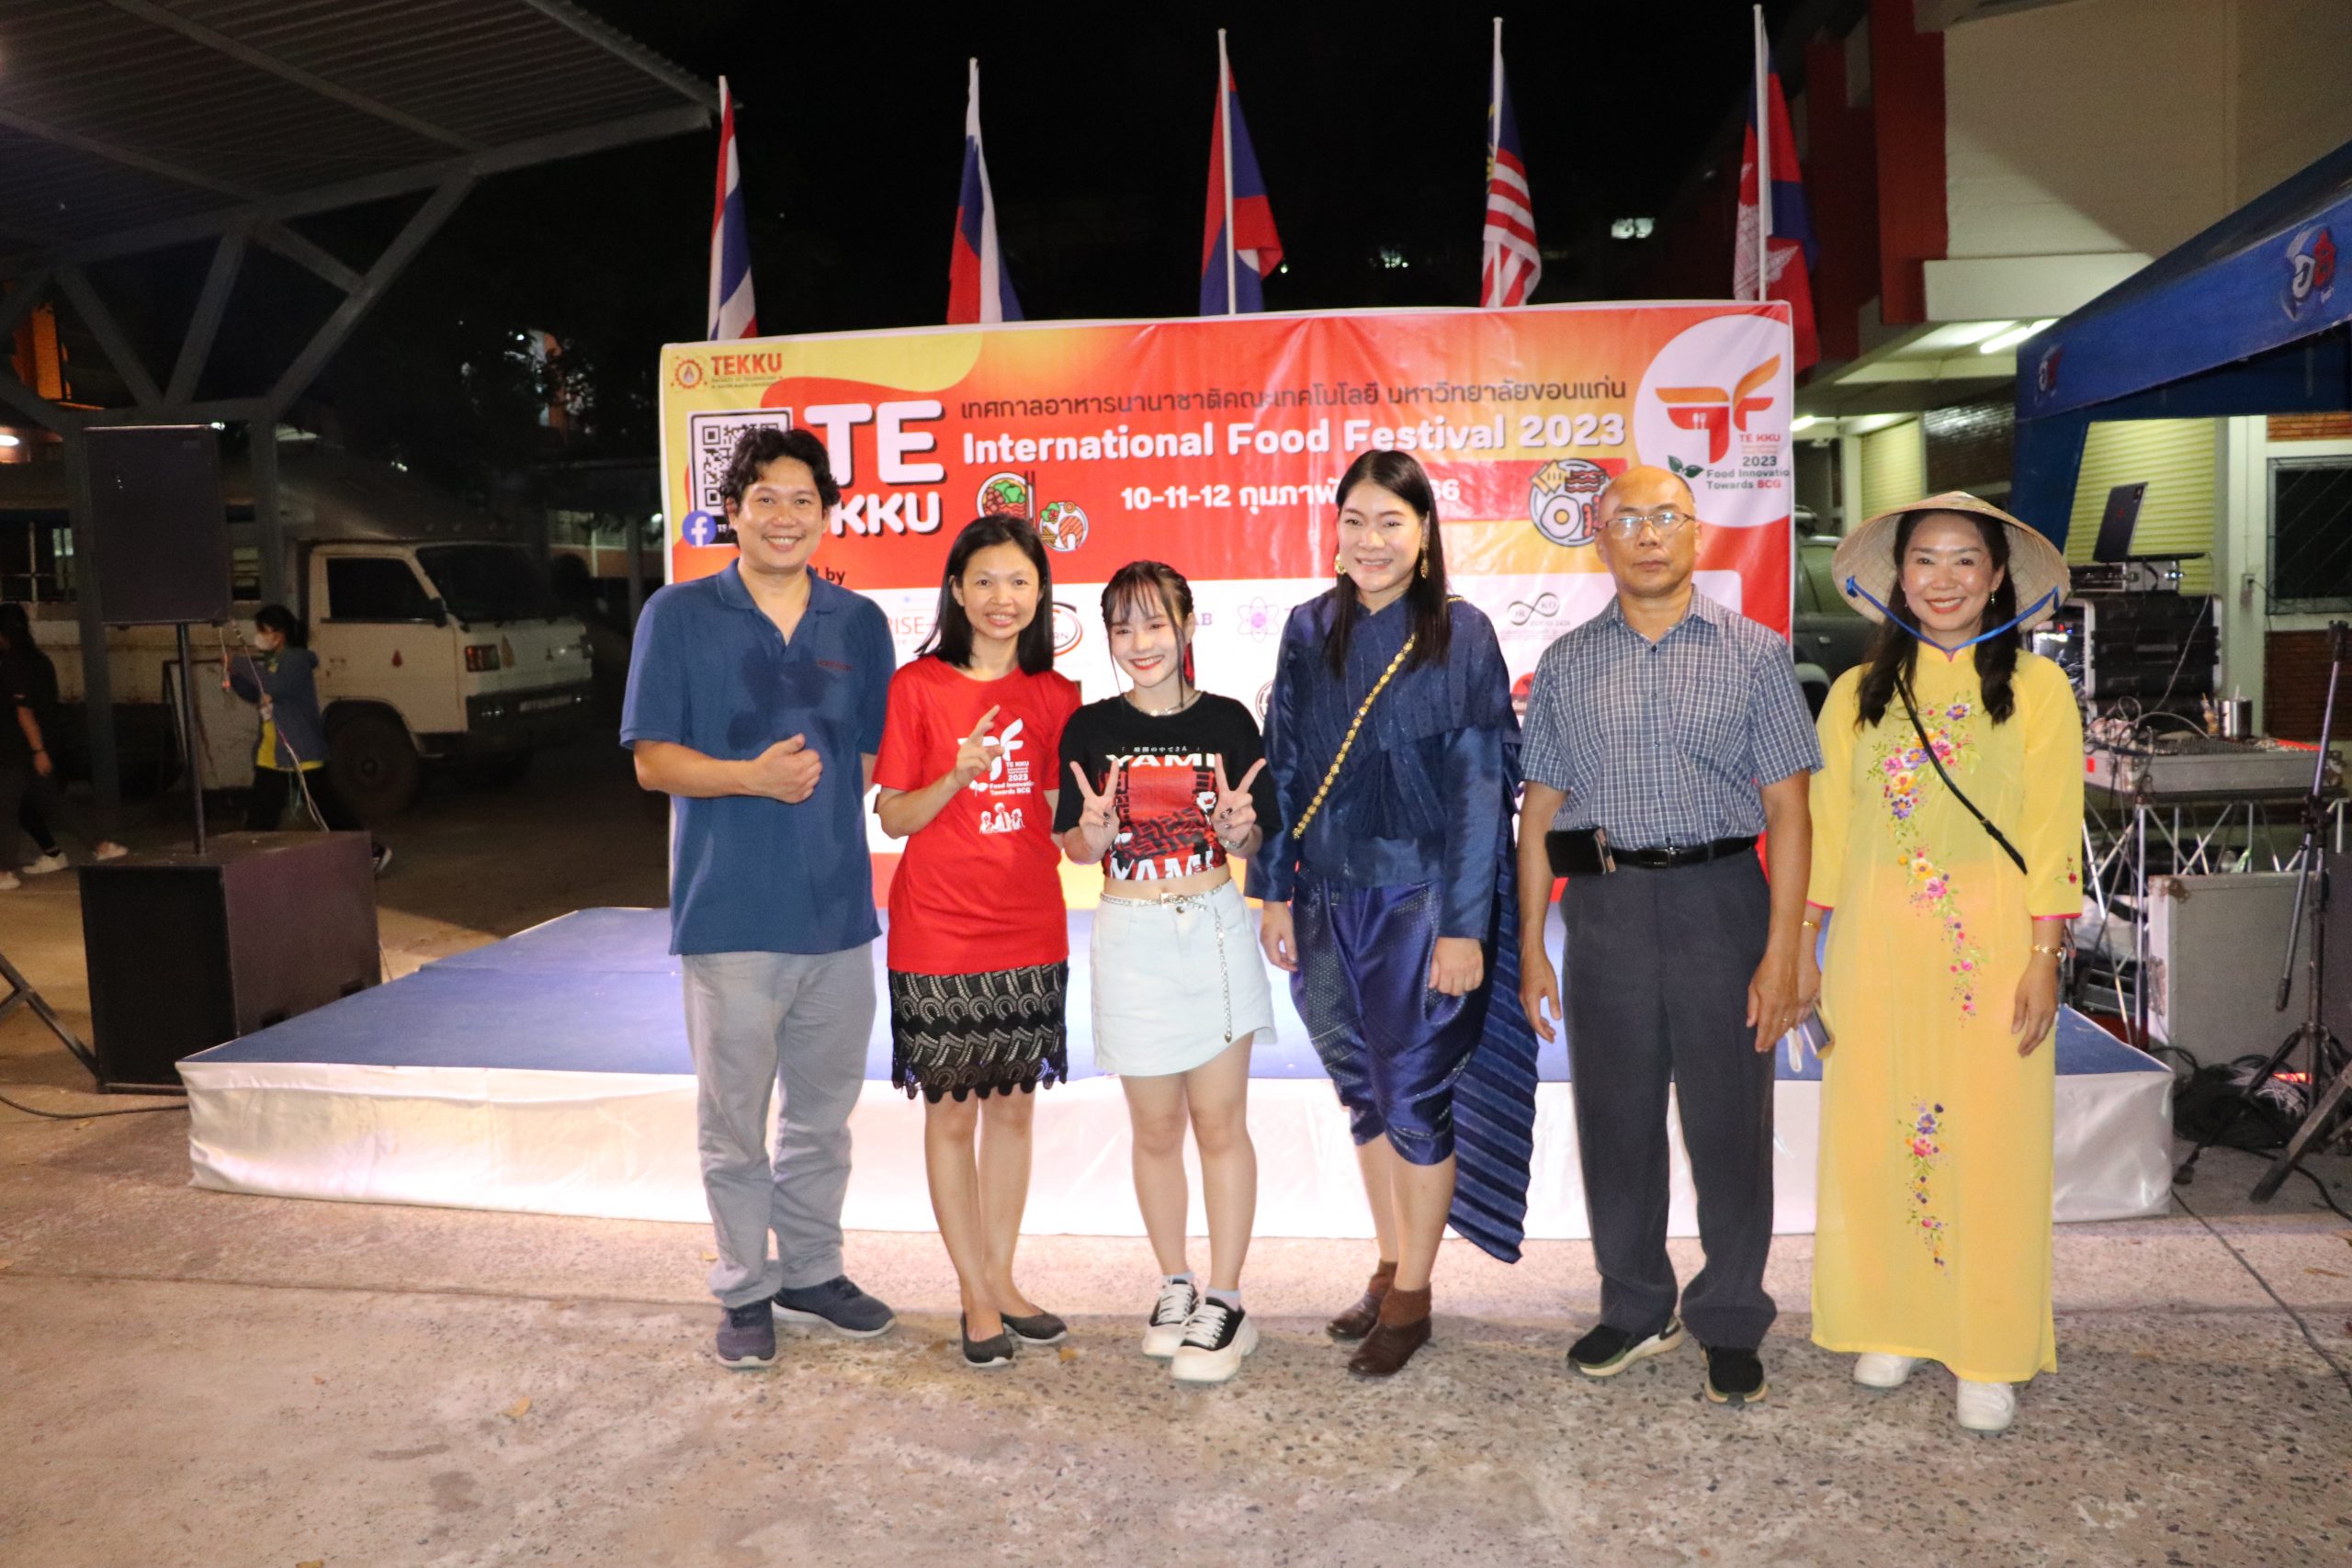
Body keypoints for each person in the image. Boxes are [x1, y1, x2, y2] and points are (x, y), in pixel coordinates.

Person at [1515, 464, 1819, 1409]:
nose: (1647, 535)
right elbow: (1539, 815)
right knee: (1615, 1119)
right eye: (1626, 520)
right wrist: (1530, 946)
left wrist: (1786, 949)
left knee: (1730, 1121)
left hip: (1723, 902)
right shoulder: (1566, 663)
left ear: (1696, 531)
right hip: (1604, 909)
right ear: (1598, 538)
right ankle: (1637, 1303)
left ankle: (1729, 1314)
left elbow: (1790, 810)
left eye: (1666, 518)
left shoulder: (1756, 654)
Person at [1254, 449, 1540, 1379]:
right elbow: (1283, 766)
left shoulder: (1461, 634)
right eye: (1355, 521)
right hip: (1326, 901)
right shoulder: (1309, 628)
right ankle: (1388, 1267)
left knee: (1413, 1096)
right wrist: (1274, 889)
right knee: (1364, 1093)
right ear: (1334, 532)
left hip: (1422, 906)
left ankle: (1413, 1295)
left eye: (1391, 522)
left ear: (1423, 535)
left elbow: (1480, 792)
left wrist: (1464, 927)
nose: (1370, 540)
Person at [622, 426, 900, 1371]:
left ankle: (812, 1271)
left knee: (822, 1118)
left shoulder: (858, 623)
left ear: (827, 516)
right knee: (734, 1122)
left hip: (838, 917)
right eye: (765, 499)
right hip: (730, 914)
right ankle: (745, 1286)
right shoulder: (678, 614)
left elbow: (870, 758)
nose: (784, 517)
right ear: (731, 513)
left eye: (803, 500)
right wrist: (750, 778)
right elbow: (652, 761)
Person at [1803, 491, 2081, 1435]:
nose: (1945, 578)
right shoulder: (1855, 694)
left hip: (1994, 952)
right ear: (1898, 576)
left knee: (1994, 1143)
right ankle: (1897, 1319)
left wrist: (2044, 954)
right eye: (1925, 559)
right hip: (1875, 952)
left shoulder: (2039, 691)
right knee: (1882, 1134)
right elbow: (1829, 832)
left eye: (1966, 560)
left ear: (1998, 577)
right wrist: (1801, 946)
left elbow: (2054, 828)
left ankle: (1987, 1342)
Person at [1055, 560, 1281, 1384]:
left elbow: (1252, 838)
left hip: (1212, 928)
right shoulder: (1088, 727)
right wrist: (1092, 831)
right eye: (1123, 628)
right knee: (1154, 1129)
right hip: (1130, 936)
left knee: (1220, 1124)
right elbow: (1076, 846)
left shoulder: (1229, 720)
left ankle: (1227, 1299)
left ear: (1186, 625)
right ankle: (1176, 1284)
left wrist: (1240, 828)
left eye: (1155, 623)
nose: (1139, 642)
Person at [873, 515, 1081, 1371]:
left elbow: (1068, 831)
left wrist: (1104, 826)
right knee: (953, 1113)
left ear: (1041, 593)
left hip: (1030, 927)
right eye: (986, 580)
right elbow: (893, 816)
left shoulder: (1058, 696)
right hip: (940, 933)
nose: (1004, 597)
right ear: (957, 590)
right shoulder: (917, 686)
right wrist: (956, 773)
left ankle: (1001, 1275)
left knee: (1015, 1109)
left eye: (1020, 581)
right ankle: (973, 1292)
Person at [227, 605, 390, 875]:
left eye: (262, 630)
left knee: (328, 810)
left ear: (279, 634)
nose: (259, 636)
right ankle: (248, 869)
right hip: (273, 753)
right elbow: (257, 692)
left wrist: (241, 662)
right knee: (261, 815)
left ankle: (373, 851)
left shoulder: (296, 660)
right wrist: (235, 679)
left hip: (299, 752)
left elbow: (275, 686)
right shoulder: (274, 663)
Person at [0, 604, 127, 887]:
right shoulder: (41, 661)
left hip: (16, 750)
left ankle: (4, 872)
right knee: (53, 803)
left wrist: (37, 750)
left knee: (5, 810)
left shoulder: (12, 664)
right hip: (38, 746)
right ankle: (102, 846)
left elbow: (24, 712)